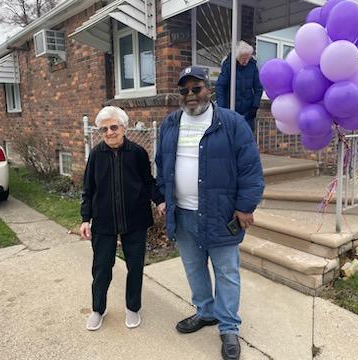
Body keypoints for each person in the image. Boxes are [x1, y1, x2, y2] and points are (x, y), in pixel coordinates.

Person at [156, 66, 264, 360]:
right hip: (183, 213)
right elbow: (161, 163)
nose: (190, 95)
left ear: (209, 89)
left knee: (226, 272)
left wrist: (245, 206)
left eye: (196, 88)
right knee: (193, 268)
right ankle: (205, 312)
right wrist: (163, 196)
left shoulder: (231, 123)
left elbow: (251, 168)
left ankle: (229, 327)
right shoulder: (169, 123)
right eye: (184, 90)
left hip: (221, 213)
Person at [80, 106, 164, 331]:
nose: (109, 132)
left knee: (135, 266)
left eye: (113, 127)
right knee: (101, 268)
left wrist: (160, 200)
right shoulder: (96, 155)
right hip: (104, 221)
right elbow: (88, 189)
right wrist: (85, 219)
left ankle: (133, 307)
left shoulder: (137, 152)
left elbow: (148, 182)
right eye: (104, 129)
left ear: (124, 128)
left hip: (135, 219)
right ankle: (98, 309)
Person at [215, 40, 263, 131]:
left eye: (247, 58)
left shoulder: (252, 66)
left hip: (248, 112)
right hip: (231, 110)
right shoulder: (229, 65)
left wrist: (255, 106)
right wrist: (222, 109)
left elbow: (258, 88)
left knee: (247, 138)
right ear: (237, 56)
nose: (245, 61)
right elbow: (220, 87)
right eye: (243, 58)